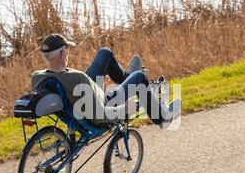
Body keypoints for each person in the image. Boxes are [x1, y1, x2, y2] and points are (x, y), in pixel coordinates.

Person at [31, 34, 181, 129]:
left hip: (84, 97)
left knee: (105, 53)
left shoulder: (37, 76)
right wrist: (125, 108)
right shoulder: (77, 77)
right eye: (67, 49)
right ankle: (162, 117)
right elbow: (99, 115)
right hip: (104, 102)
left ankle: (129, 78)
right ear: (63, 53)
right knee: (141, 77)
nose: (68, 52)